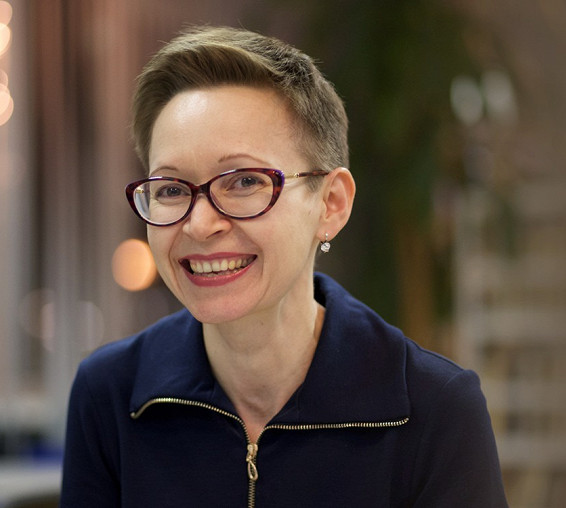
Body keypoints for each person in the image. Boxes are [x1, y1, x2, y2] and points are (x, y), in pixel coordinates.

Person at [60, 26, 508, 507]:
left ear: (331, 204)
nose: (200, 224)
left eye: (244, 181)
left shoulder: (435, 410)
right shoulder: (109, 394)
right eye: (171, 189)